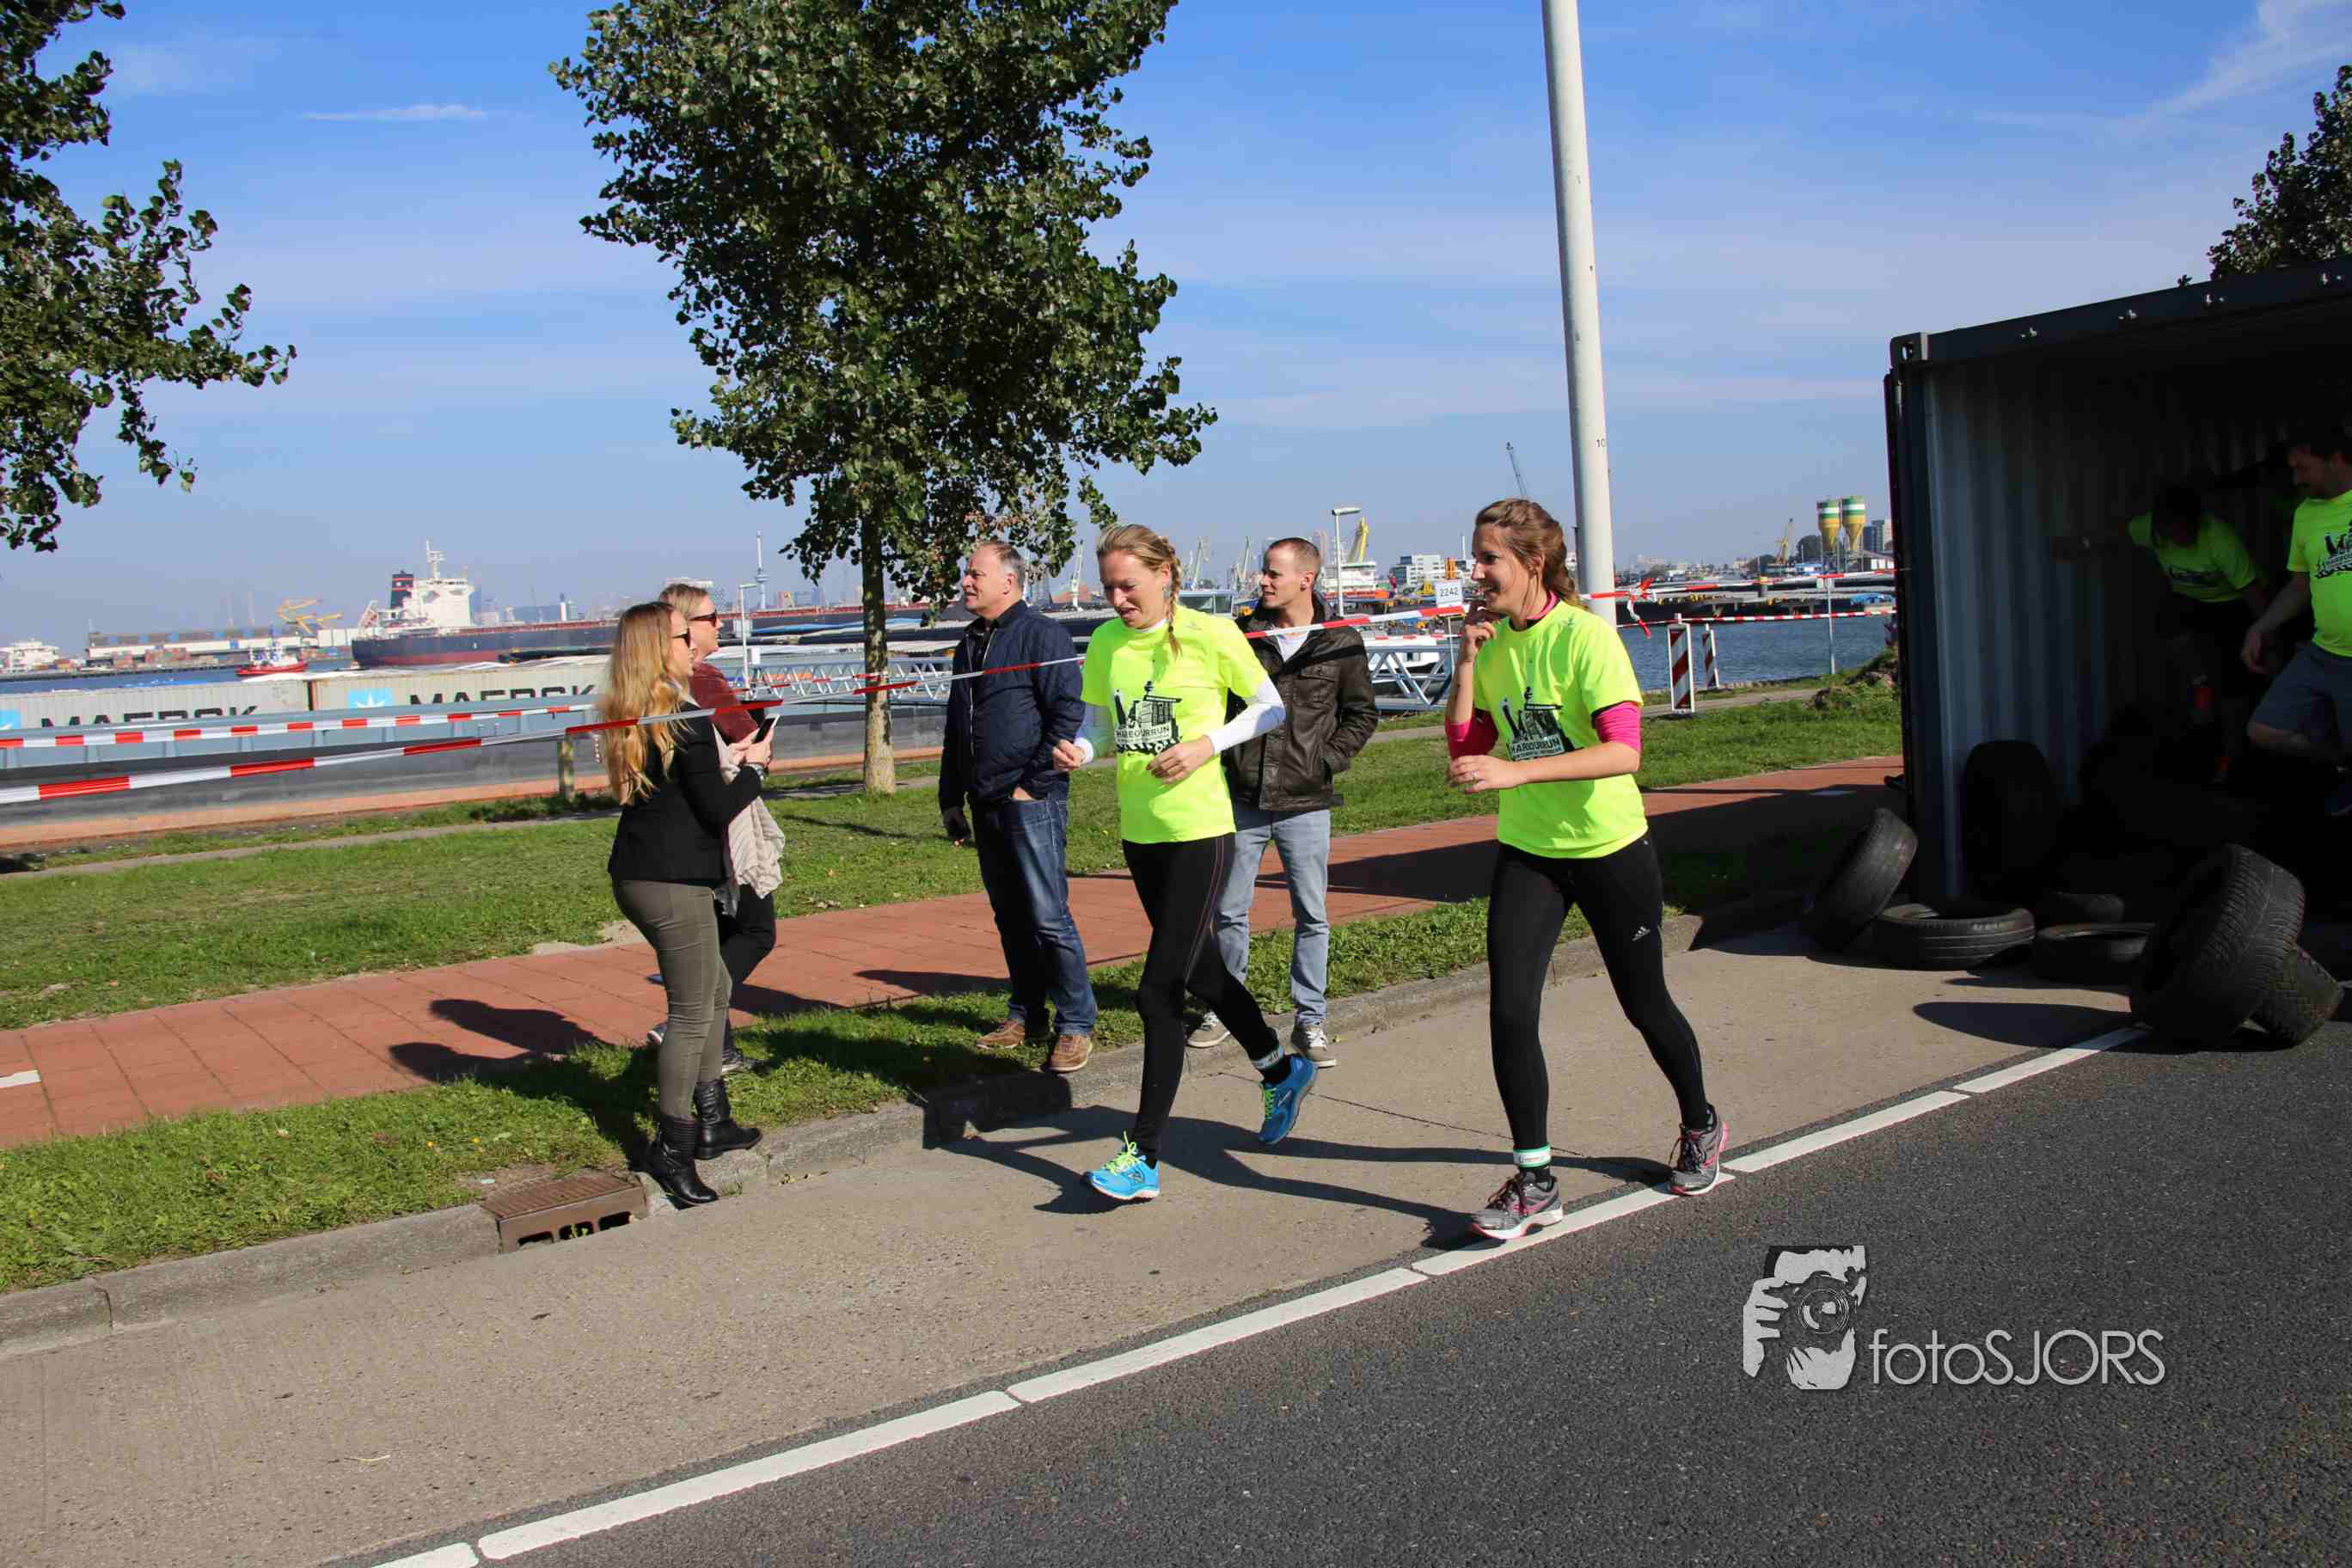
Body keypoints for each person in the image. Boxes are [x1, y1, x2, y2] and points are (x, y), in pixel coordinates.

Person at [1442, 498, 1725, 1240]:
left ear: (1533, 563)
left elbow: (1624, 752)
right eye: (1475, 558)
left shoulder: (1586, 638)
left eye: (1488, 559)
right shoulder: (1491, 644)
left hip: (1609, 850)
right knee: (1510, 1012)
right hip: (1530, 852)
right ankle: (1535, 1181)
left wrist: (1516, 773)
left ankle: (1700, 1122)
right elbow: (1466, 748)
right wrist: (1466, 664)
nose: (1475, 573)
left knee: (1645, 1004)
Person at [1050, 524, 1316, 1203]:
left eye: (1127, 586)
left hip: (1200, 829)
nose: (1116, 599)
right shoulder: (1106, 643)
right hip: (1141, 834)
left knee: (1157, 991)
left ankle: (1143, 1156)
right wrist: (1081, 751)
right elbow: (1099, 725)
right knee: (1202, 971)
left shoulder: (1211, 634)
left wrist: (1206, 745)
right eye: (1108, 587)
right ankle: (1279, 1069)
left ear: (1164, 574)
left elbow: (1270, 709)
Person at [602, 602, 774, 1207]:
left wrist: (735, 764)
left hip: (643, 873)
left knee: (712, 992)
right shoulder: (684, 717)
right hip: (672, 882)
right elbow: (717, 809)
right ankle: (672, 1149)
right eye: (683, 636)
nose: (692, 645)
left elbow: (680, 793)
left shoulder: (636, 710)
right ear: (660, 648)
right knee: (693, 1013)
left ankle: (713, 1120)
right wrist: (755, 768)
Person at [1189, 537, 1378, 1068]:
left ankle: (1310, 1018)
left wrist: (1326, 761)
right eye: (1263, 572)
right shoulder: (1241, 635)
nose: (1263, 581)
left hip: (1306, 801)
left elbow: (1362, 714)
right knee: (1228, 910)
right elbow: (1216, 705)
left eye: (1273, 573)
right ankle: (1226, 1010)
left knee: (1312, 913)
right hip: (1242, 797)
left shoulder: (1340, 641)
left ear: (1305, 579)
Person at [939, 542, 1099, 1073]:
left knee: (1049, 917)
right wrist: (950, 796)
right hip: (984, 800)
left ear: (1008, 582)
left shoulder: (1043, 635)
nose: (966, 581)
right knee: (1010, 917)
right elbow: (957, 723)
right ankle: (1026, 1013)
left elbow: (1067, 713)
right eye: (966, 573)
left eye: (975, 573)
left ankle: (1076, 1023)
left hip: (1032, 798)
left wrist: (1032, 785)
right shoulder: (969, 641)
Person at [647, 582, 768, 1076]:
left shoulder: (652, 688)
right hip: (722, 828)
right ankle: (685, 1026)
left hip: (681, 838)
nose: (722, 624)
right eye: (711, 617)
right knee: (755, 931)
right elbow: (749, 738)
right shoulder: (703, 682)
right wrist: (756, 754)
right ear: (682, 629)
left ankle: (717, 1051)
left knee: (717, 940)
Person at [2241, 423, 2352, 817]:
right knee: (2264, 731)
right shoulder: (2306, 514)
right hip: (2324, 652)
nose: (2296, 480)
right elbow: (2300, 586)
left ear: (2335, 459)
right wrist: (2261, 626)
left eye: (2303, 468)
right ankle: (2343, 760)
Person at [2122, 486, 2269, 764]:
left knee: (2233, 680)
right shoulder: (2152, 530)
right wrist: (2085, 543)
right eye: (2170, 532)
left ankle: (2230, 760)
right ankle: (2202, 685)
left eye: (2183, 531)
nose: (2177, 538)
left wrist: (2265, 636)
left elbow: (2254, 594)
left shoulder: (2220, 539)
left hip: (2233, 603)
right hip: (2191, 600)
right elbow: (2119, 535)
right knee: (2167, 616)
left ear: (2196, 522)